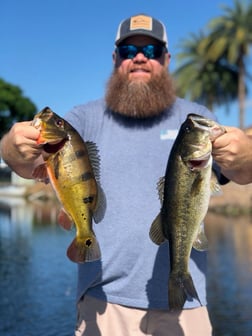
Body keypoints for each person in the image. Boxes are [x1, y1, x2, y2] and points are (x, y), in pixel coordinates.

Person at [1, 13, 252, 336]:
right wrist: (11, 144)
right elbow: (23, 164)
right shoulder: (82, 118)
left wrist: (245, 154)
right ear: (114, 59)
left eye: (151, 52)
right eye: (127, 51)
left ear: (167, 59)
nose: (139, 59)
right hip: (102, 305)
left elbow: (243, 174)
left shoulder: (198, 120)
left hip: (185, 309)